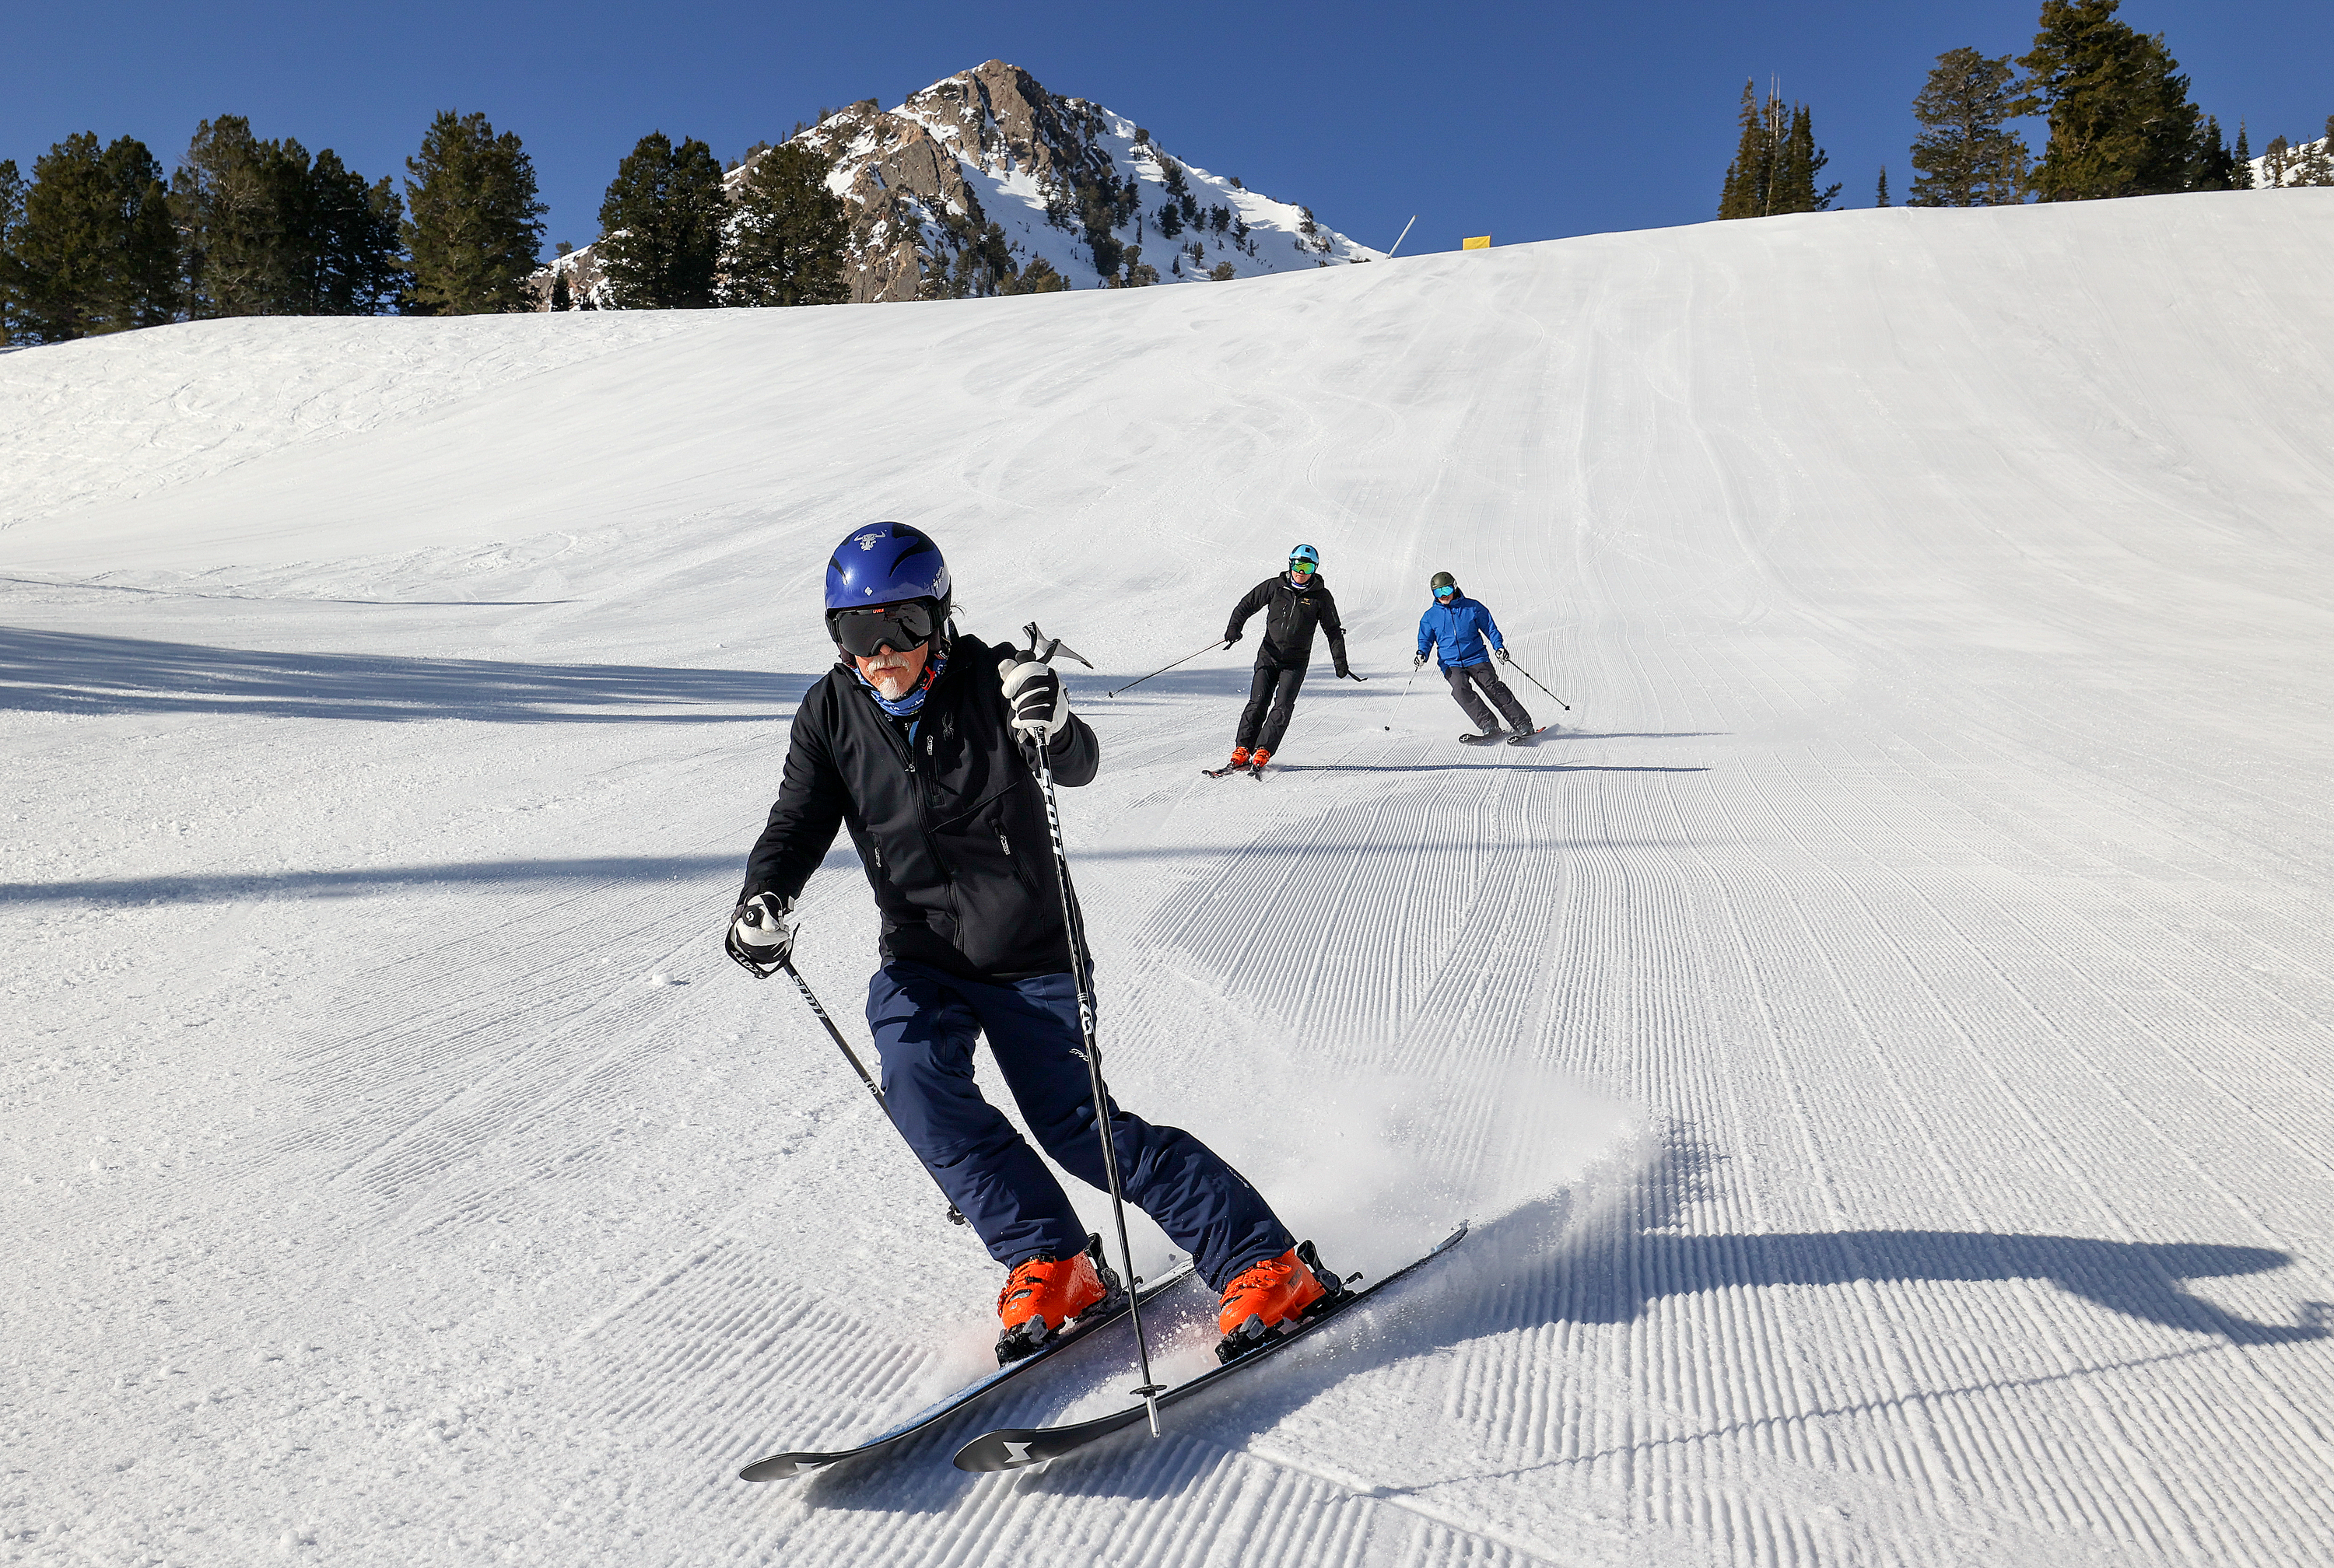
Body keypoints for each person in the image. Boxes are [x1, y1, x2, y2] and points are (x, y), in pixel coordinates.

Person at [726, 522, 1338, 1364]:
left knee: (1079, 1126)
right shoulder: (831, 712)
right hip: (922, 954)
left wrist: (1052, 717)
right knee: (915, 1082)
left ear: (938, 618)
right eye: (853, 631)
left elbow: (1076, 761)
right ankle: (1050, 1258)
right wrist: (766, 893)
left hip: (1030, 950)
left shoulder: (998, 678)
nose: (878, 652)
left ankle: (1264, 1262)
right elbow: (797, 820)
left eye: (897, 626)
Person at [1218, 544, 1356, 774]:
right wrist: (1234, 628)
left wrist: (1340, 661)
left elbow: (1333, 630)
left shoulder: (1321, 597)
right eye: (1298, 565)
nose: (1302, 571)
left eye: (1308, 566)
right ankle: (1243, 748)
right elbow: (1246, 605)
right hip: (1268, 656)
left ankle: (1263, 750)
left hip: (1295, 662)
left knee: (1282, 706)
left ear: (1315, 568)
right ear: (1290, 563)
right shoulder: (1274, 587)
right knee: (1257, 702)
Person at [1414, 571, 1536, 744]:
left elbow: (1490, 628)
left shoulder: (1472, 607)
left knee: (1493, 687)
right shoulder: (1430, 616)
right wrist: (1422, 653)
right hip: (1451, 663)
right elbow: (1425, 639)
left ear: (1454, 587)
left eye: (1447, 590)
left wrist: (1498, 647)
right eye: (1438, 592)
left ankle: (1523, 723)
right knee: (1460, 689)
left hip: (1477, 657)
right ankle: (1488, 724)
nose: (1444, 596)